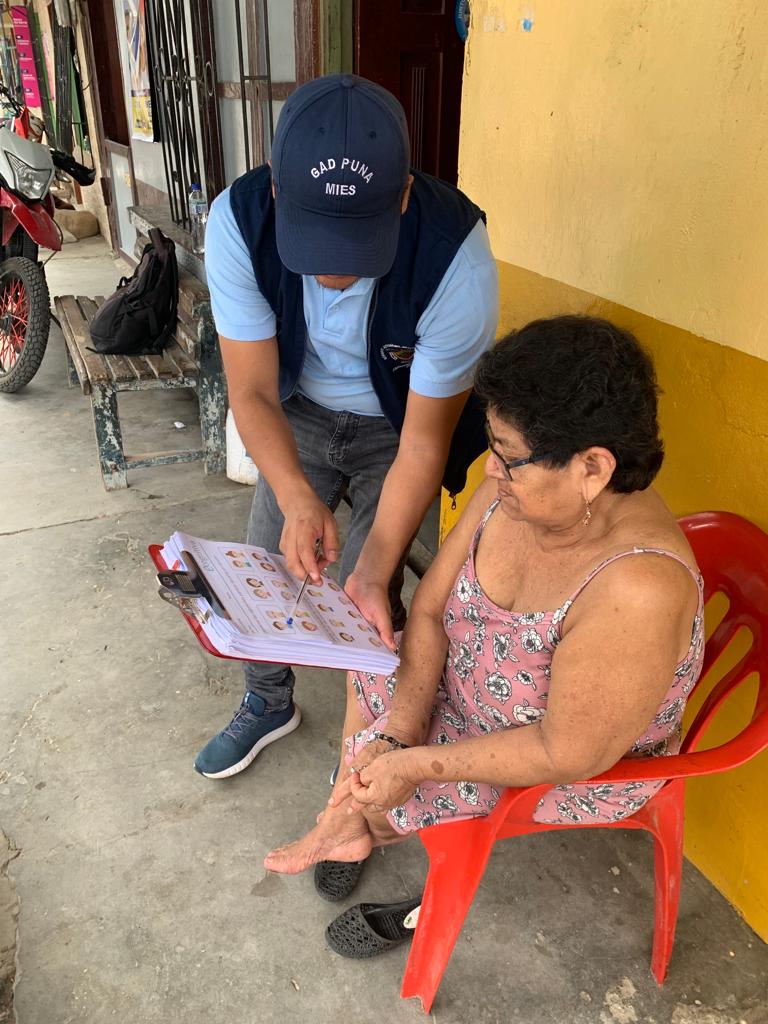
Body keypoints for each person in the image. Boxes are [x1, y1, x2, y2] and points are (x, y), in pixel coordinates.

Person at [263, 316, 705, 942]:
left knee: (395, 783)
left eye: (508, 456)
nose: (491, 470)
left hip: (555, 759)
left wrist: (416, 766)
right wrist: (398, 735)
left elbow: (567, 753)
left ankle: (381, 843)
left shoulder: (638, 588)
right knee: (368, 665)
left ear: (593, 468)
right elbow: (429, 612)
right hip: (465, 690)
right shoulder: (516, 490)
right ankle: (356, 821)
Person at [196, 74, 498, 779]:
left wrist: (371, 568)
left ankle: (365, 755)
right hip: (295, 411)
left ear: (403, 196)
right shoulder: (238, 222)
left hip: (398, 427)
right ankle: (267, 701)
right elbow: (252, 390)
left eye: (358, 244)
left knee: (370, 600)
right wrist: (296, 495)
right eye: (317, 243)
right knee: (263, 569)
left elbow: (424, 441)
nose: (334, 273)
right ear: (276, 189)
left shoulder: (456, 259)